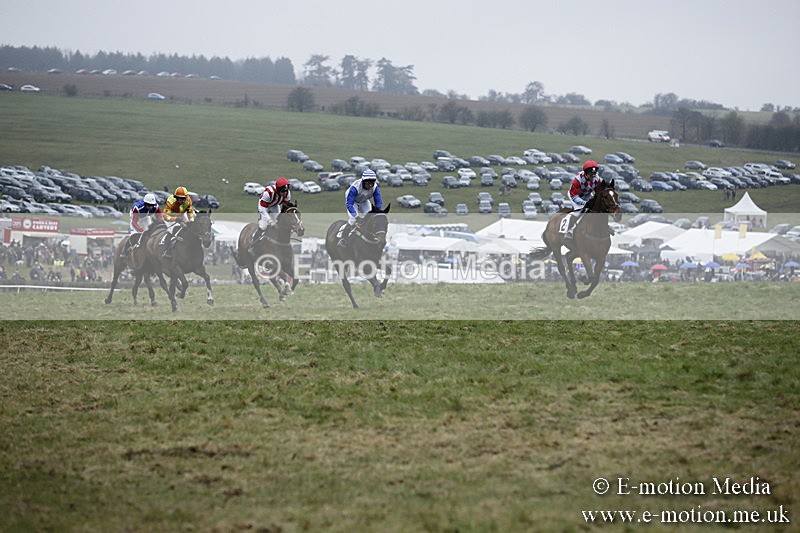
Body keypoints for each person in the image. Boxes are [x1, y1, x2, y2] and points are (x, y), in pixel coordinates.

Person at [247, 177, 292, 256]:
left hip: (274, 205)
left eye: (286, 191)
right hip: (264, 207)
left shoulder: (287, 194)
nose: (284, 193)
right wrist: (270, 221)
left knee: (280, 224)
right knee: (264, 226)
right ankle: (253, 246)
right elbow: (263, 210)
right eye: (282, 192)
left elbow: (285, 208)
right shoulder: (268, 193)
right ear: (278, 190)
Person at [338, 169, 383, 247]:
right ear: (363, 181)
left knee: (371, 217)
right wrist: (357, 217)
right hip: (353, 202)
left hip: (364, 201)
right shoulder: (355, 188)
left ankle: (372, 236)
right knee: (353, 219)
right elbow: (350, 205)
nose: (370, 186)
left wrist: (377, 212)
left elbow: (378, 202)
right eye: (368, 183)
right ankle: (343, 238)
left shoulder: (375, 187)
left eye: (372, 183)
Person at [564, 160, 604, 241]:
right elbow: (574, 196)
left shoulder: (597, 179)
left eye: (594, 173)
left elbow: (598, 192)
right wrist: (585, 203)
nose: (593, 176)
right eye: (591, 174)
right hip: (575, 196)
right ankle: (570, 230)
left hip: (587, 195)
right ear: (586, 173)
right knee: (579, 211)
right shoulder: (577, 180)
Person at [120, 193, 161, 258]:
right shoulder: (137, 207)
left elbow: (159, 218)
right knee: (134, 235)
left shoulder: (156, 207)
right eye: (149, 205)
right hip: (136, 218)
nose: (150, 207)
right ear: (145, 203)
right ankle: (125, 251)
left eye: (152, 205)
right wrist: (140, 229)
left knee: (149, 232)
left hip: (146, 217)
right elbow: (134, 222)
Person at [160, 186, 196, 257]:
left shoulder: (188, 200)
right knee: (174, 230)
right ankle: (166, 250)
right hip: (169, 217)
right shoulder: (171, 200)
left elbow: (190, 212)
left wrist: (191, 221)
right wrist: (175, 219)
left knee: (190, 228)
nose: (182, 201)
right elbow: (166, 216)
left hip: (181, 215)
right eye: (180, 199)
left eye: (183, 199)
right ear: (176, 197)